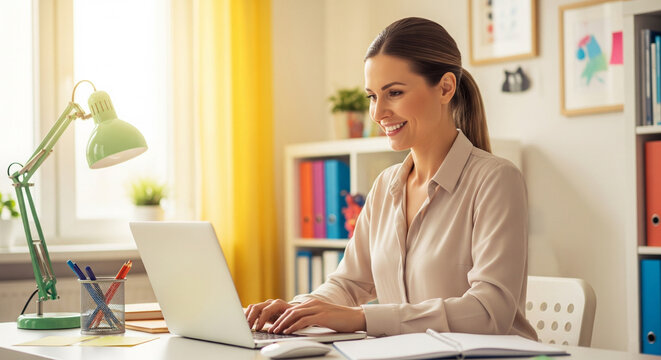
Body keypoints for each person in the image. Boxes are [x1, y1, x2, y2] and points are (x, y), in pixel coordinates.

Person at [245, 17, 538, 340]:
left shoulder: (496, 180)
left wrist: (362, 318)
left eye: (394, 93)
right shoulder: (386, 186)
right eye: (372, 96)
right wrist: (295, 309)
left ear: (445, 88)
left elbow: (488, 312)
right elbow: (350, 283)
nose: (378, 112)